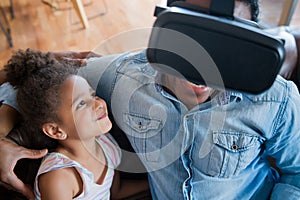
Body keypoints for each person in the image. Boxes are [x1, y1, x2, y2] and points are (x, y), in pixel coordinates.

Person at [0, 0, 300, 199]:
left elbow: (296, 172)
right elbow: (33, 87)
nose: (202, 67)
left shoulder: (277, 101)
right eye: (192, 40)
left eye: (223, 47)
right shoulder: (126, 77)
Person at [2, 49, 149, 199]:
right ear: (55, 130)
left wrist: (159, 184)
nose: (98, 103)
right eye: (82, 104)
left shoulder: (107, 145)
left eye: (93, 95)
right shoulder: (59, 177)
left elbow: (115, 192)